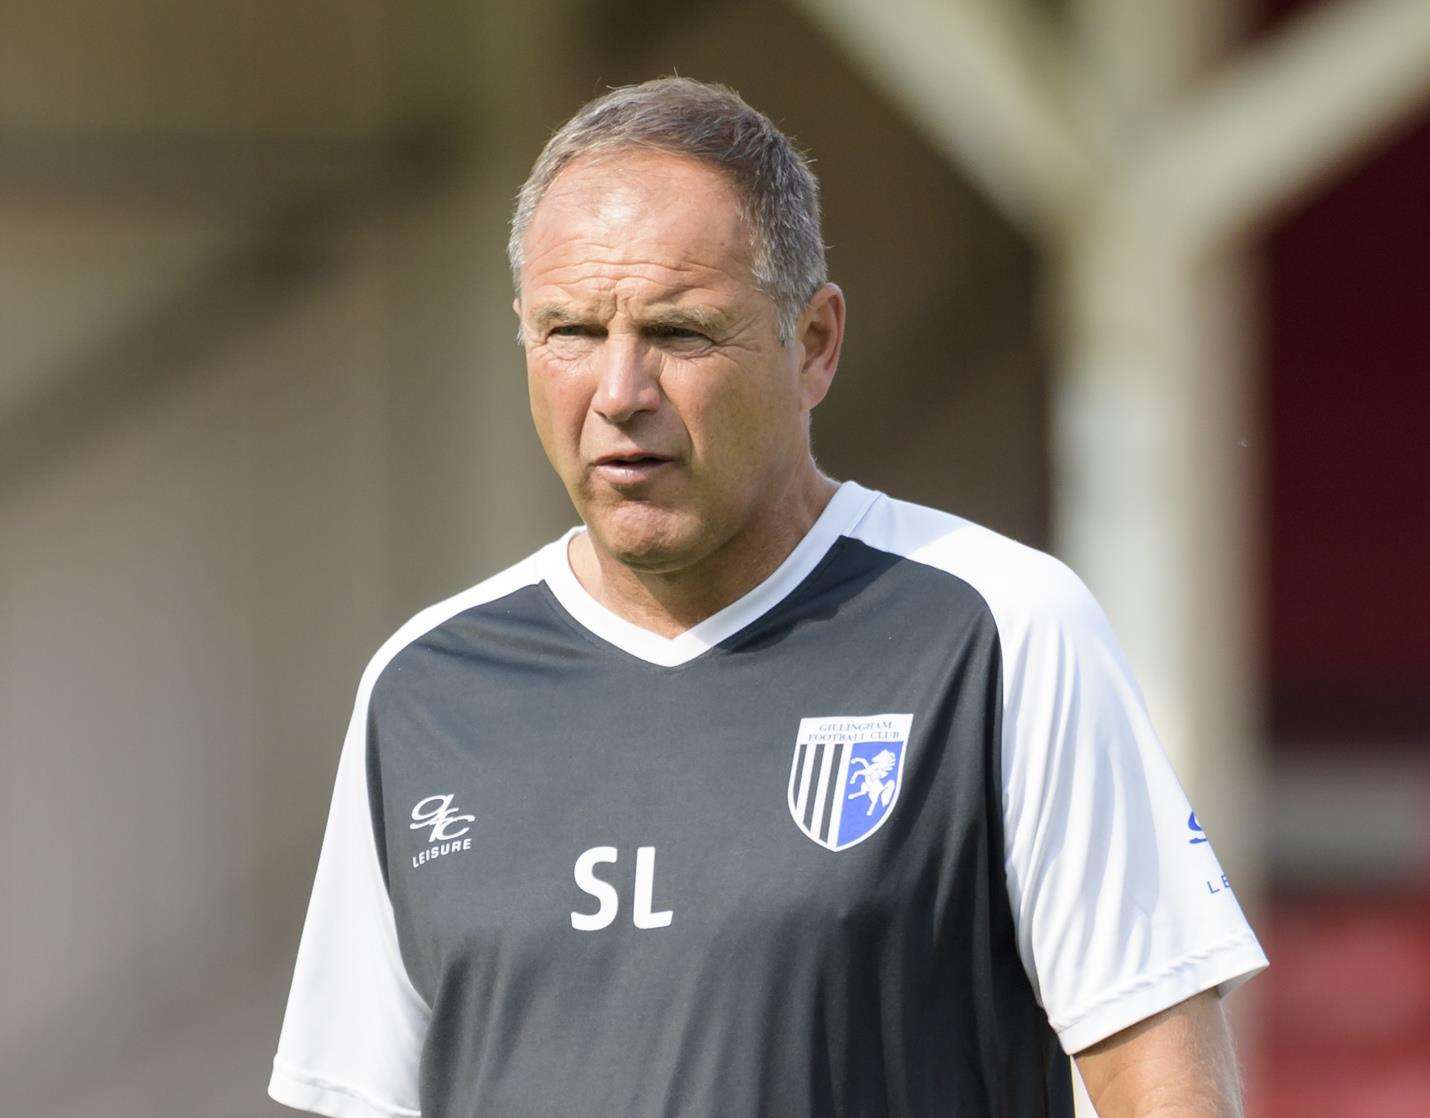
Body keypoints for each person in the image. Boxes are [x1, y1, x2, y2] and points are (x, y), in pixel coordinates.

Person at [268, 77, 1266, 1117]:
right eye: (567, 331)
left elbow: (1164, 1090)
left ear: (815, 342)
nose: (618, 392)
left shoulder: (998, 629)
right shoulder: (424, 687)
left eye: (681, 332)